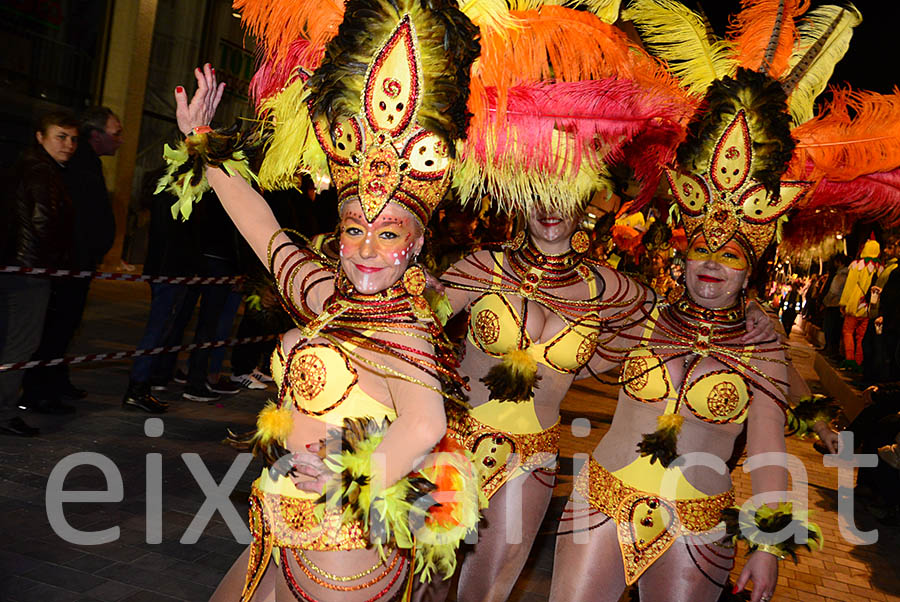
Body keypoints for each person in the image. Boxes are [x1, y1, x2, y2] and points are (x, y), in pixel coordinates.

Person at [160, 0, 484, 597]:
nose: (366, 247)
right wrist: (202, 141)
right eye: (357, 228)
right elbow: (262, 227)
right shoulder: (323, 295)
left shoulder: (404, 329)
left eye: (389, 234)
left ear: (414, 247)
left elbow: (424, 422)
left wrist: (354, 478)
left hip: (346, 550)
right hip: (278, 528)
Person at [550, 68, 820, 602]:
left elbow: (767, 453)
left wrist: (767, 547)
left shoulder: (763, 350)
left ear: (751, 268)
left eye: (730, 254)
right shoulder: (639, 312)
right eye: (701, 248)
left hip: (697, 529)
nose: (712, 263)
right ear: (682, 253)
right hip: (600, 504)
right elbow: (557, 290)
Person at [4, 110, 79, 419]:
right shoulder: (41, 170)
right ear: (40, 136)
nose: (68, 145)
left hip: (19, 265)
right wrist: (55, 263)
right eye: (60, 136)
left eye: (74, 139)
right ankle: (4, 413)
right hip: (31, 268)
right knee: (20, 344)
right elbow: (44, 221)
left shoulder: (27, 165)